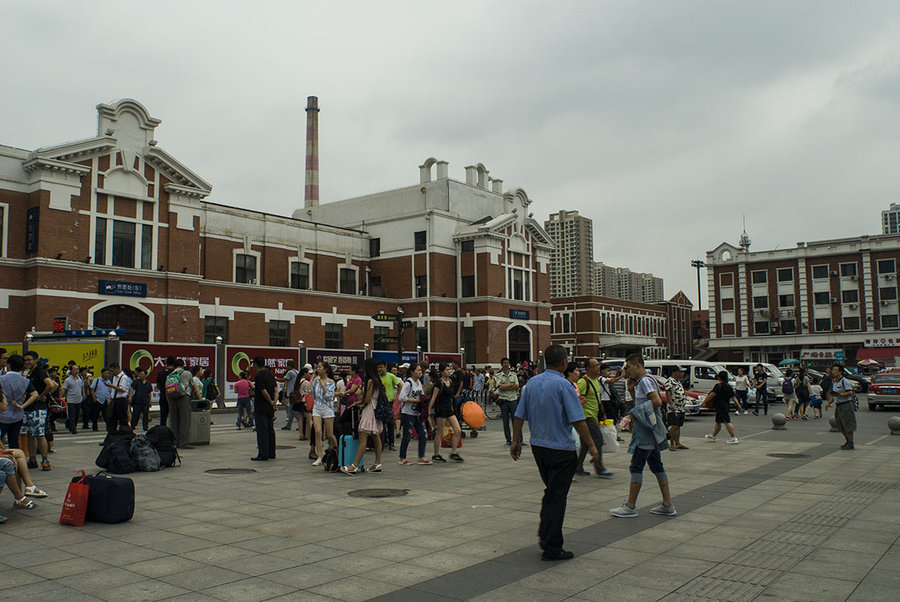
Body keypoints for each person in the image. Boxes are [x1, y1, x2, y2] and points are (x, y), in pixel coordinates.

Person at [511, 344, 600, 561]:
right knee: (557, 498)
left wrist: (515, 441)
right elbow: (577, 420)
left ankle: (545, 534)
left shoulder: (531, 383)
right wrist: (592, 445)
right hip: (561, 449)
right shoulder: (564, 386)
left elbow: (519, 415)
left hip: (539, 448)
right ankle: (552, 547)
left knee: (552, 492)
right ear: (563, 363)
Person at [609, 354, 676, 519]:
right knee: (656, 466)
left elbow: (656, 401)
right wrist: (632, 391)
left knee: (636, 466)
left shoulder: (645, 380)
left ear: (637, 365)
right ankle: (667, 504)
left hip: (645, 433)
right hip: (649, 431)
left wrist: (632, 414)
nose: (627, 371)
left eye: (628, 367)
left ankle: (630, 506)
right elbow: (642, 402)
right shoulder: (644, 381)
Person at [341, 358, 385, 474]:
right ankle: (377, 463)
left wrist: (358, 402)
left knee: (363, 438)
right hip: (376, 409)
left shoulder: (370, 381)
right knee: (376, 437)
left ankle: (354, 465)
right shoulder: (378, 380)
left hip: (369, 410)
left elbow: (367, 399)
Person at [575, 358, 613, 478]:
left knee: (585, 443)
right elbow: (574, 396)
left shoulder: (596, 381)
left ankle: (578, 467)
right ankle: (599, 468)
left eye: (598, 365)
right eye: (595, 365)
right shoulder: (583, 382)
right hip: (587, 416)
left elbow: (597, 399)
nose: (598, 367)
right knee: (598, 439)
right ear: (588, 369)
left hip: (594, 415)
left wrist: (602, 413)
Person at [23, 351, 56, 471]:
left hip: (38, 408)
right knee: (30, 434)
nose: (27, 362)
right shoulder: (28, 372)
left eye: (29, 360)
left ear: (36, 360)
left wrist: (41, 395)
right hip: (29, 407)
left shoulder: (40, 371)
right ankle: (32, 459)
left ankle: (45, 460)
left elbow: (51, 385)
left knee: (39, 434)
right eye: (25, 360)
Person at [398, 363, 432, 465]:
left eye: (420, 370)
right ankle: (402, 458)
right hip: (408, 413)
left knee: (423, 434)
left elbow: (421, 395)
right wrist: (415, 400)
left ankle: (421, 456)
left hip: (417, 413)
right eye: (417, 370)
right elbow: (401, 397)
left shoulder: (419, 383)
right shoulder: (408, 383)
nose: (420, 372)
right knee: (407, 435)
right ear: (412, 371)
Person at [0, 355, 36, 451]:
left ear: (9, 364)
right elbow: (35, 394)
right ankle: (16, 463)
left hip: (2, 414)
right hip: (17, 414)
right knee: (14, 442)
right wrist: (22, 406)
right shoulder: (25, 380)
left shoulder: (2, 379)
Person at [429, 363, 463, 463]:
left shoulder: (450, 382)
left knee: (458, 430)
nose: (449, 371)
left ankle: (454, 452)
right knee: (439, 433)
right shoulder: (439, 383)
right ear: (442, 372)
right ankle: (436, 454)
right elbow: (434, 397)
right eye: (447, 370)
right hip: (441, 410)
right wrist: (428, 410)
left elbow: (451, 397)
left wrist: (452, 408)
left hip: (449, 410)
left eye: (449, 370)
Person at [311, 361, 338, 466]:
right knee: (317, 432)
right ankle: (319, 456)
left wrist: (323, 386)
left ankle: (336, 450)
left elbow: (330, 397)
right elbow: (309, 390)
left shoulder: (331, 382)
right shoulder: (316, 380)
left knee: (329, 434)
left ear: (325, 369)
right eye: (317, 367)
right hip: (317, 407)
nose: (318, 369)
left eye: (320, 367)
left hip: (327, 408)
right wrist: (313, 379)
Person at [251, 356, 277, 461]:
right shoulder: (270, 375)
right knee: (270, 430)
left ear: (256, 364)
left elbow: (263, 391)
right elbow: (276, 389)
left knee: (262, 431)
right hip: (270, 408)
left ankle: (263, 454)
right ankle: (271, 453)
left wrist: (270, 401)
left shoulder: (259, 376)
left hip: (261, 407)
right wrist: (274, 403)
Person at [824, 364, 856, 450]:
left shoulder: (844, 381)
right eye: (832, 370)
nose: (833, 372)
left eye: (835, 370)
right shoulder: (835, 382)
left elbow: (850, 392)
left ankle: (851, 443)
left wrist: (840, 395)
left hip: (846, 405)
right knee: (840, 425)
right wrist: (829, 402)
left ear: (840, 372)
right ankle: (847, 441)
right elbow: (833, 394)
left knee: (848, 424)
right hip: (838, 405)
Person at [703, 371, 740, 444]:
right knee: (718, 421)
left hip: (720, 406)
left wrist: (704, 401)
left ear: (719, 377)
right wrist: (738, 406)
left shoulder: (718, 386)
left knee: (727, 421)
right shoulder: (729, 387)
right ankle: (713, 436)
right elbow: (733, 397)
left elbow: (712, 395)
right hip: (725, 405)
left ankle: (734, 438)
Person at [167, 359, 195, 450]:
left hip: (172, 397)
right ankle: (184, 443)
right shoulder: (187, 373)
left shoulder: (170, 375)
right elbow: (192, 385)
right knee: (184, 421)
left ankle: (174, 442)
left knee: (174, 420)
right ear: (183, 365)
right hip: (183, 397)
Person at [495, 357, 521, 447]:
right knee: (505, 422)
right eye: (504, 363)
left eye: (507, 363)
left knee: (516, 421)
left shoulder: (514, 375)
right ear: (502, 364)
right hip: (504, 401)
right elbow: (500, 387)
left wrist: (505, 385)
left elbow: (517, 386)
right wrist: (511, 385)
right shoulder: (498, 376)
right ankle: (508, 440)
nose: (506, 364)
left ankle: (519, 439)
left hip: (513, 400)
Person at [377, 360, 402, 451]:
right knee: (381, 423)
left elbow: (400, 385)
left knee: (390, 423)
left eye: (381, 367)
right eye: (378, 367)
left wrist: (397, 398)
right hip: (379, 402)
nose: (380, 369)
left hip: (390, 402)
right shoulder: (376, 377)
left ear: (385, 367)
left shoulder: (391, 376)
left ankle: (391, 443)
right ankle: (383, 442)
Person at [663, 367, 689, 451]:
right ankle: (672, 444)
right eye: (681, 372)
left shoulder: (678, 382)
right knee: (673, 426)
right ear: (675, 372)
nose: (683, 374)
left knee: (678, 425)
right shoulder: (669, 381)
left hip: (681, 407)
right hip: (674, 408)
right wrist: (671, 404)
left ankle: (678, 443)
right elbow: (668, 393)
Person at [107, 362, 132, 432]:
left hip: (121, 400)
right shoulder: (115, 377)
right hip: (114, 400)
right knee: (112, 419)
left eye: (113, 371)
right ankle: (111, 436)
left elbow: (122, 389)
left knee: (122, 419)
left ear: (117, 368)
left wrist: (111, 386)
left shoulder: (124, 377)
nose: (112, 373)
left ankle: (125, 434)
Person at [60, 365, 84, 434]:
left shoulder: (80, 378)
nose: (77, 371)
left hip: (79, 399)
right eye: (75, 369)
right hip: (71, 400)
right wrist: (61, 398)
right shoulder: (68, 380)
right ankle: (73, 429)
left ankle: (70, 425)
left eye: (77, 369)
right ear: (71, 371)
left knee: (77, 415)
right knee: (72, 415)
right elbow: (64, 389)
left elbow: (82, 387)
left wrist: (83, 394)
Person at [88, 368, 111, 433]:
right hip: (98, 399)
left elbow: (110, 391)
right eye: (106, 373)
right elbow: (92, 389)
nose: (107, 375)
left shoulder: (109, 382)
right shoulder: (97, 380)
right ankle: (95, 427)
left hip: (105, 400)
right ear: (102, 373)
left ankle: (108, 427)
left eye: (108, 373)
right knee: (95, 415)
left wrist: (109, 399)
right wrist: (94, 398)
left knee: (106, 415)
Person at [280, 360, 300, 431]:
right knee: (292, 411)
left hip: (291, 394)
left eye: (287, 366)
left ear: (289, 366)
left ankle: (301, 423)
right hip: (295, 393)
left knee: (293, 411)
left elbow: (284, 379)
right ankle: (289, 425)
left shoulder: (290, 372)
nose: (286, 368)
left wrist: (275, 378)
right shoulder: (297, 372)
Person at [156, 357, 175, 427]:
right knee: (174, 416)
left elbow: (158, 385)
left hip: (163, 396)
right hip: (173, 396)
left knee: (163, 416)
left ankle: (162, 431)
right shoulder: (174, 373)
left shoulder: (161, 372)